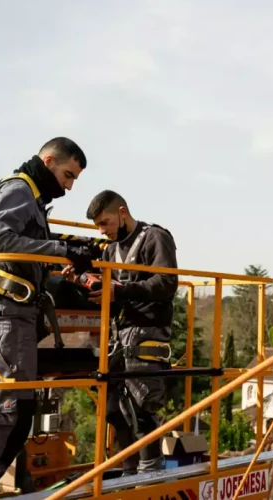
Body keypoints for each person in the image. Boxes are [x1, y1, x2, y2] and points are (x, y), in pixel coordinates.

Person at [0, 137, 97, 500]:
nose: (69, 185)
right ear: (48, 161)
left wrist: (69, 257)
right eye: (67, 175)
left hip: (15, 314)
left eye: (74, 179)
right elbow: (0, 241)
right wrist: (63, 249)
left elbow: (27, 250)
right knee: (9, 413)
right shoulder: (19, 189)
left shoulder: (32, 198)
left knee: (15, 413)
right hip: (5, 314)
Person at [64, 189, 179, 476]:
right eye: (99, 226)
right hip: (120, 333)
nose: (103, 231)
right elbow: (110, 291)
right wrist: (82, 281)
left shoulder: (155, 237)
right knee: (114, 407)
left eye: (106, 223)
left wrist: (121, 290)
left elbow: (166, 283)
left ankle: (149, 472)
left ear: (122, 213)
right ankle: (130, 471)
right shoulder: (110, 250)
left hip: (149, 330)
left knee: (141, 407)